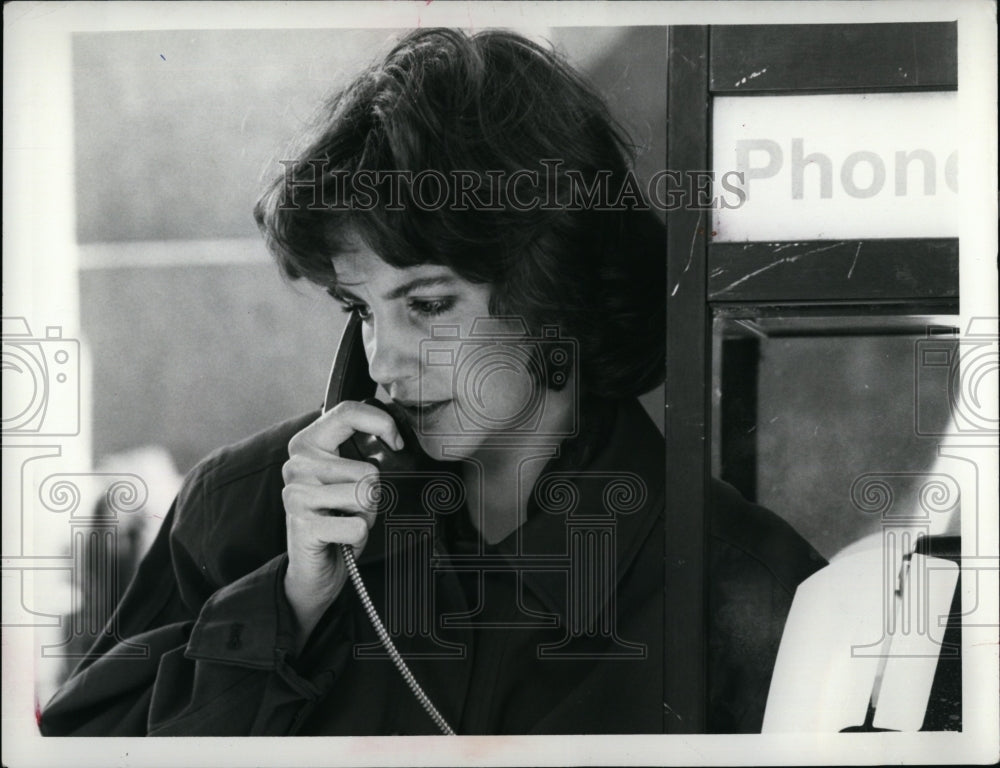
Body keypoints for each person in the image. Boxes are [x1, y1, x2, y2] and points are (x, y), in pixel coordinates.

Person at [40, 28, 824, 736]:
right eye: (362, 310)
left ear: (552, 289)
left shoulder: (736, 586)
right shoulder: (240, 512)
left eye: (427, 304)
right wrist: (284, 612)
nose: (383, 362)